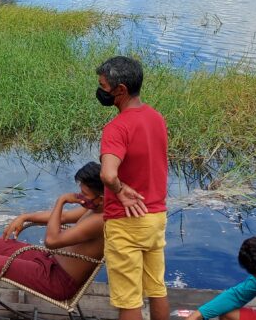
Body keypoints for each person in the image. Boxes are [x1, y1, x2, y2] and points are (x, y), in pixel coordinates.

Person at [0, 161, 107, 320]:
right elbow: (63, 217)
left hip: (57, 281)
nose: (80, 197)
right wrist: (25, 217)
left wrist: (61, 200)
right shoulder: (94, 208)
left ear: (100, 198)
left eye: (84, 194)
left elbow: (51, 241)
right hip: (50, 261)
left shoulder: (100, 220)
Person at [96, 56, 170, 320]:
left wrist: (119, 190)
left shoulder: (116, 128)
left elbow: (108, 174)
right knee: (157, 288)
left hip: (126, 220)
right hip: (156, 217)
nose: (100, 91)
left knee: (129, 299)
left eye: (103, 86)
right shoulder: (156, 118)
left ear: (121, 90)